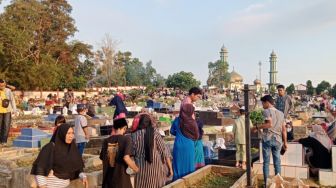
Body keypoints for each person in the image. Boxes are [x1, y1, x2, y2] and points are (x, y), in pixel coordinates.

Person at [31, 123, 88, 188]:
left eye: (72, 133)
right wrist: (43, 186)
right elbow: (40, 169)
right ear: (62, 134)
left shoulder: (72, 148)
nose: (71, 136)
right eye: (68, 133)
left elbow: (77, 167)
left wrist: (83, 176)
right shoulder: (50, 147)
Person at [252, 95, 287, 186]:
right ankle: (278, 183)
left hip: (268, 138)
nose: (262, 105)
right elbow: (284, 130)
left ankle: (266, 184)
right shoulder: (281, 113)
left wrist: (256, 127)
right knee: (277, 162)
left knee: (266, 162)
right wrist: (285, 143)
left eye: (263, 103)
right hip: (278, 140)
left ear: (267, 102)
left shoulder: (266, 111)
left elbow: (269, 124)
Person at [132, 114, 173, 188]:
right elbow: (163, 151)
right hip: (156, 171)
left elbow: (133, 153)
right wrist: (170, 168)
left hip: (141, 171)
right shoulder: (155, 132)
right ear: (150, 123)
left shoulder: (133, 135)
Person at [99, 118, 139, 188]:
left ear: (114, 128)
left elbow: (103, 158)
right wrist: (136, 169)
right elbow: (126, 158)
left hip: (108, 180)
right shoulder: (126, 139)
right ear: (124, 127)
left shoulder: (106, 141)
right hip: (122, 180)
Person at [171, 103, 198, 181]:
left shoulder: (177, 120)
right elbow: (196, 136)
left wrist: (179, 134)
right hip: (189, 145)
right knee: (189, 164)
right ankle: (188, 182)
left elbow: (172, 131)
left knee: (177, 165)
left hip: (178, 145)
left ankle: (176, 183)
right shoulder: (193, 122)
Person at [0, 79, 17, 145]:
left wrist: (14, 110)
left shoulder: (8, 90)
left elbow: (12, 100)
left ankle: (4, 141)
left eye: (3, 84)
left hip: (7, 110)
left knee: (6, 125)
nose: (1, 86)